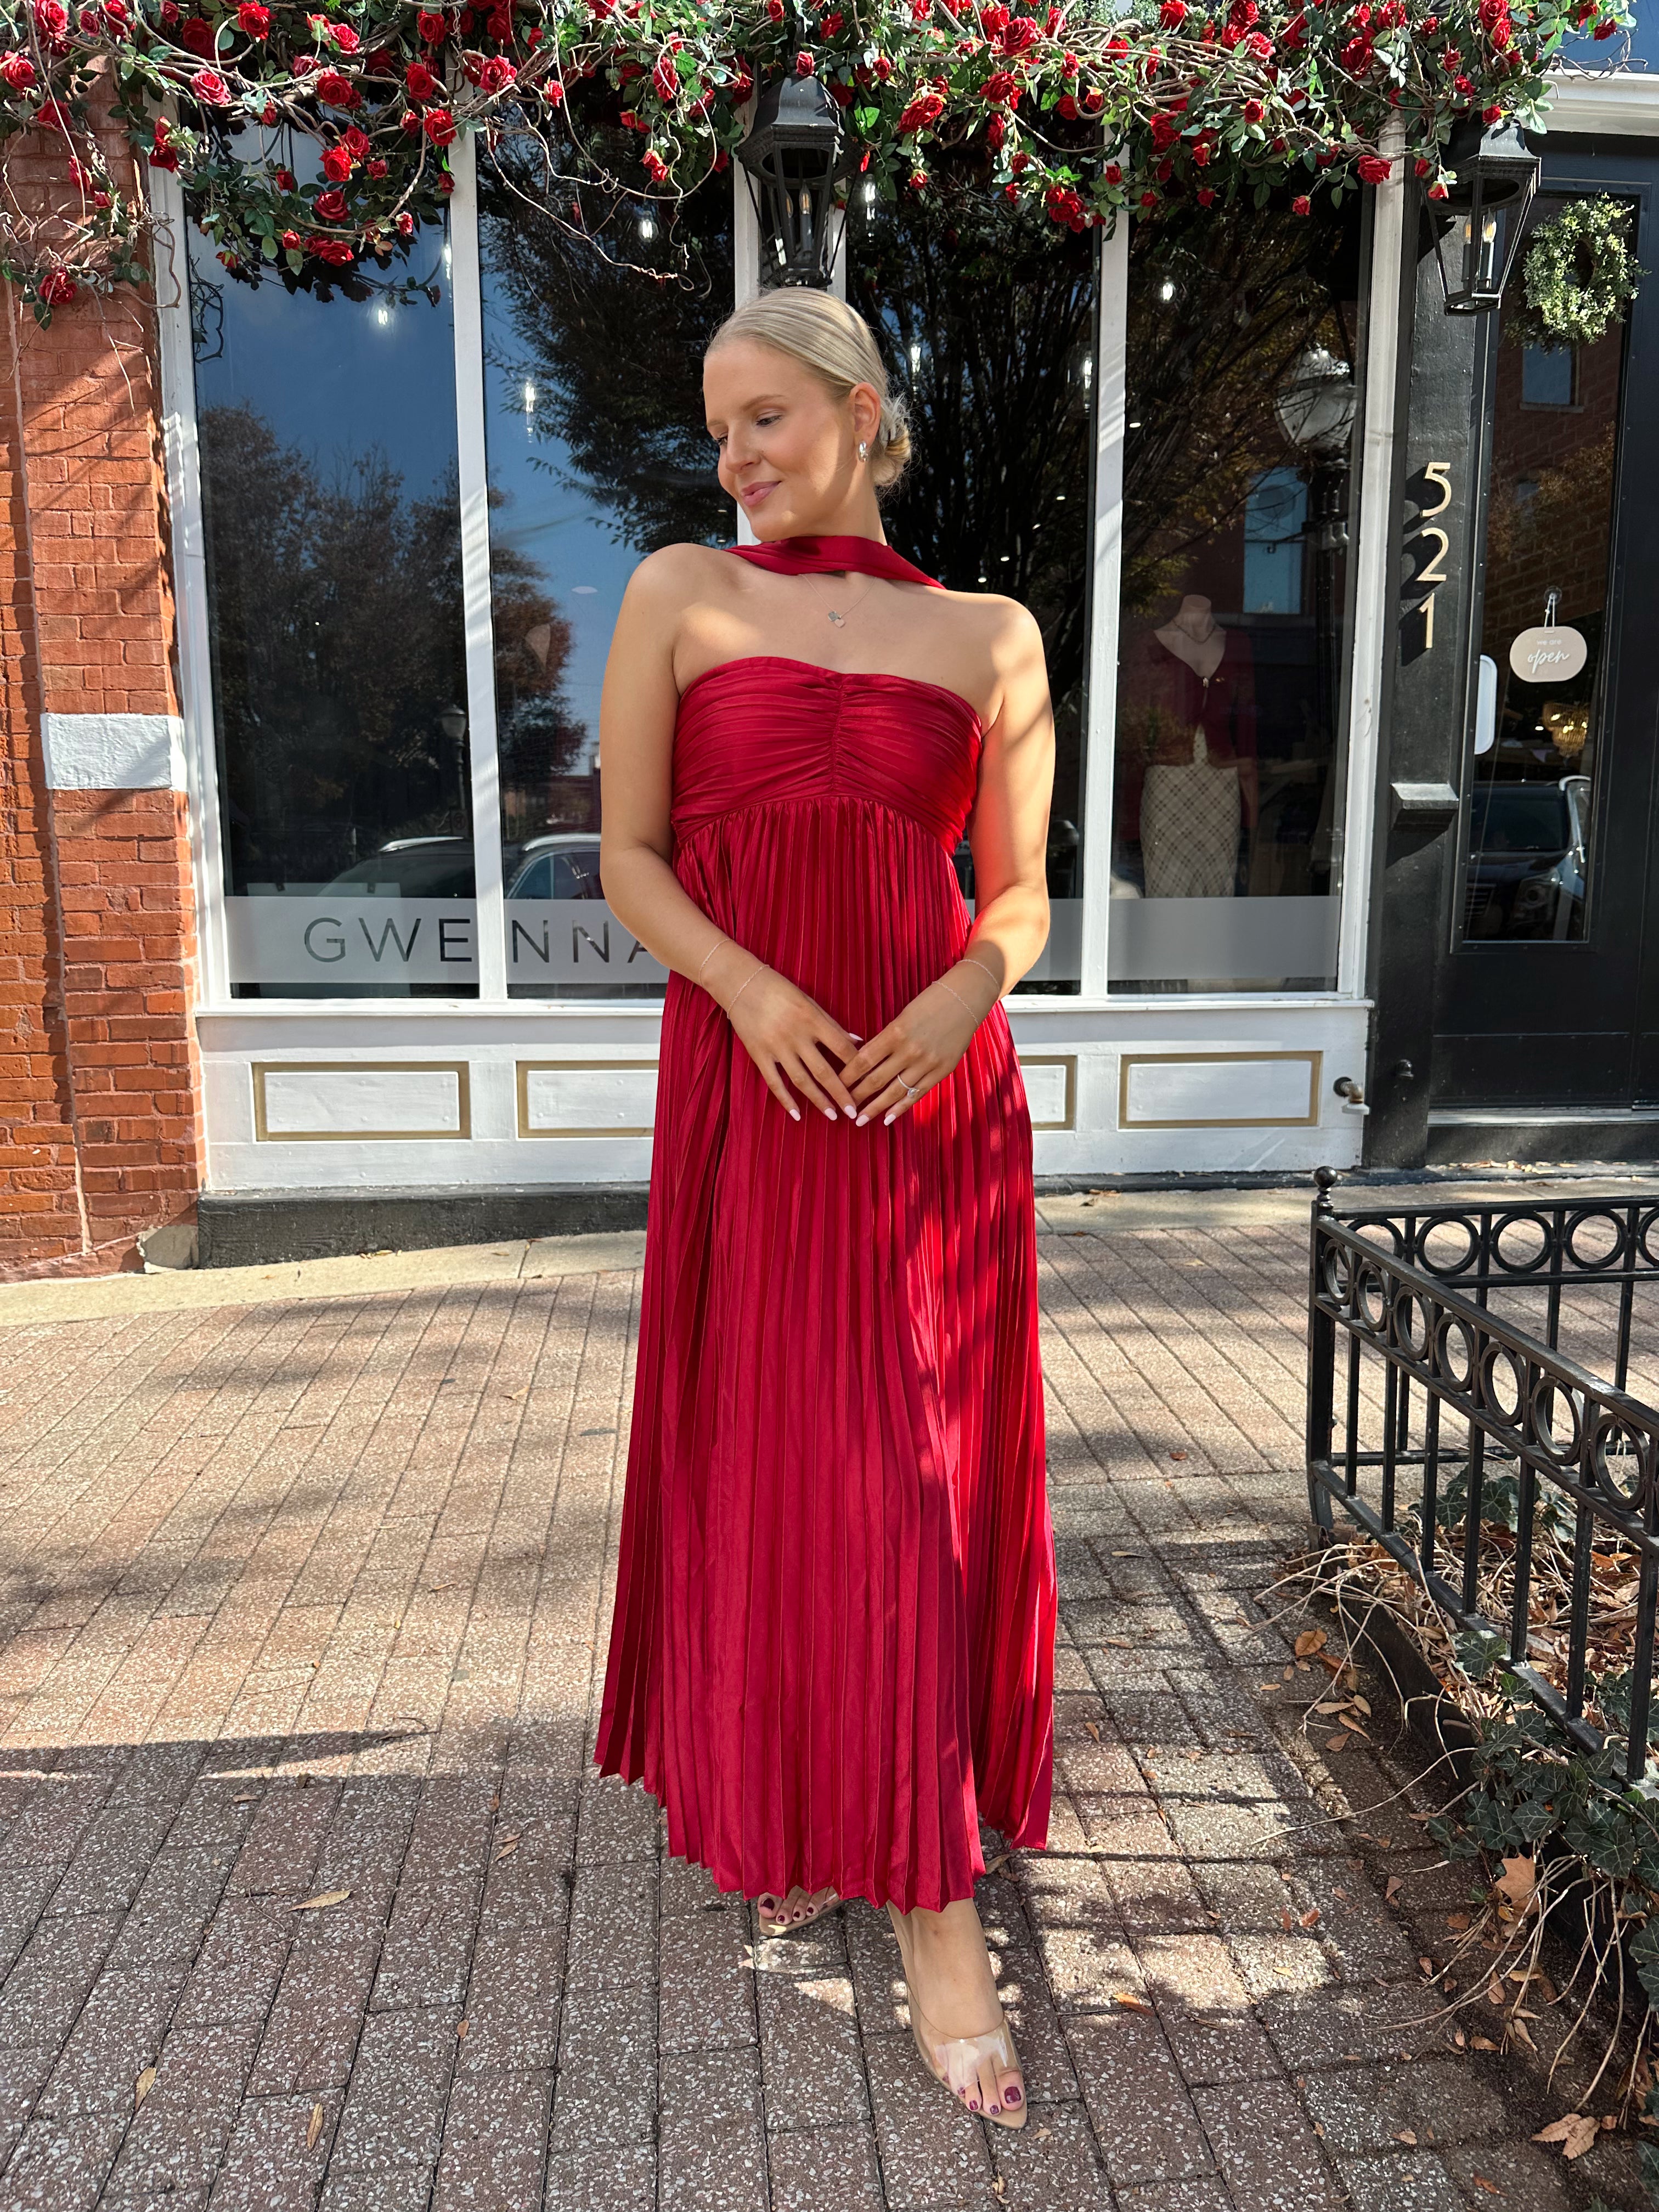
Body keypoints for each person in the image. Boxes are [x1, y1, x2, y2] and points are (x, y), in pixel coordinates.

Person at [592, 287, 1058, 2130]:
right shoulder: (676, 598)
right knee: (797, 1450)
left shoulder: (996, 634)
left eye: (768, 417)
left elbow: (1017, 897)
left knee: (920, 1465)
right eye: (720, 430)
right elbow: (628, 857)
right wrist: (750, 989)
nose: (738, 458)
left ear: (862, 411)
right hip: (762, 1083)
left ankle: (924, 1879)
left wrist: (967, 993)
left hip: (932, 1099)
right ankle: (840, 1815)